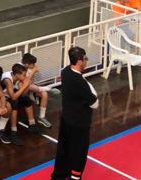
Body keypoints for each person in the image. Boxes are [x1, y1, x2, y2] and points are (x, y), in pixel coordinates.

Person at [51, 46, 99, 180]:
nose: (86, 61)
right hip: (80, 124)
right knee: (79, 153)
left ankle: (58, 176)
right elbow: (94, 103)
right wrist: (87, 85)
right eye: (85, 59)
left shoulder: (65, 72)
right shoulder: (81, 83)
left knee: (63, 149)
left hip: (66, 119)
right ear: (80, 62)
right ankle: (74, 177)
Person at [0, 64, 36, 145]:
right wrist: (24, 86)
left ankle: (32, 124)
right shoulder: (8, 80)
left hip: (9, 94)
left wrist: (26, 86)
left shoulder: (18, 78)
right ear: (17, 74)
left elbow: (23, 95)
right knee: (14, 102)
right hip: (0, 97)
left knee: (26, 100)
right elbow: (13, 97)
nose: (25, 76)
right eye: (24, 74)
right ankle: (14, 132)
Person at [20, 53, 56, 128]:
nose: (34, 65)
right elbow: (25, 82)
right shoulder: (19, 69)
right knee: (28, 84)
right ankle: (46, 89)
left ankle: (41, 117)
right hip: (22, 90)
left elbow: (31, 79)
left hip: (31, 88)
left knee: (44, 94)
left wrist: (32, 71)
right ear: (26, 64)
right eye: (32, 64)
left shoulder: (31, 67)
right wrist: (33, 71)